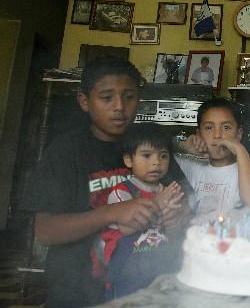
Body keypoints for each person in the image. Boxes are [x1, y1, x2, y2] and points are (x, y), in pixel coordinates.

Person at [23, 57, 191, 308]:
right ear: (84, 101)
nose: (119, 107)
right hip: (78, 292)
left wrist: (176, 219)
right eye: (106, 97)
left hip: (144, 291)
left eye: (129, 97)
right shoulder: (66, 151)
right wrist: (112, 212)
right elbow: (45, 231)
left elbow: (185, 208)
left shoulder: (152, 146)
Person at [101, 123, 184, 299]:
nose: (156, 162)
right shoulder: (121, 192)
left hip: (159, 269)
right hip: (126, 274)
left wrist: (172, 219)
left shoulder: (167, 191)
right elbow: (128, 228)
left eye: (163, 156)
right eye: (146, 155)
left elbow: (173, 233)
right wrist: (158, 204)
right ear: (128, 160)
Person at [175, 98, 250, 217]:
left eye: (226, 127)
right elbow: (156, 148)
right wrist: (181, 145)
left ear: (239, 134)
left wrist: (240, 150)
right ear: (199, 134)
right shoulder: (190, 165)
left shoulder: (248, 168)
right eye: (209, 128)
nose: (217, 135)